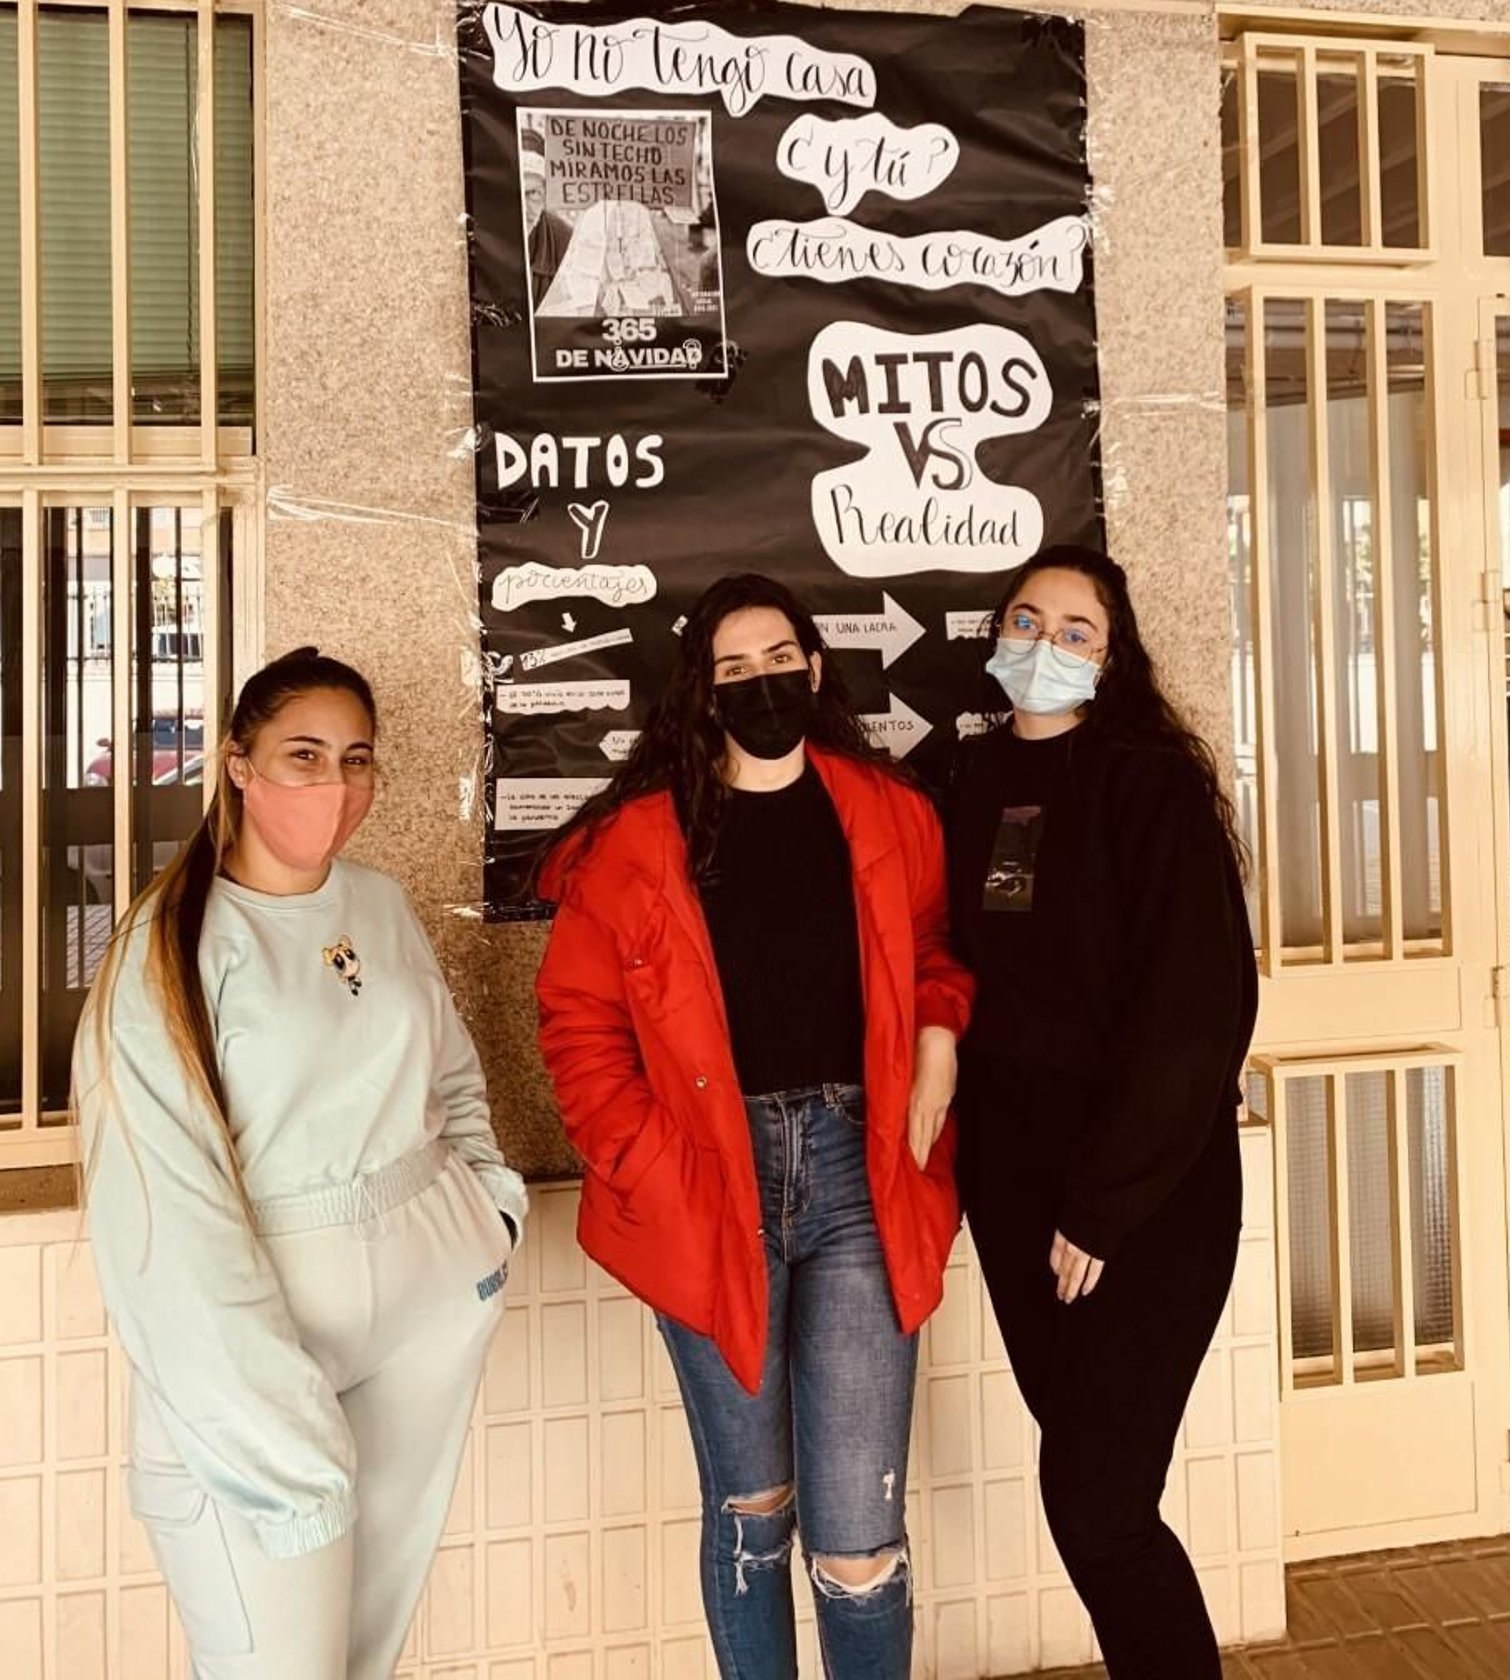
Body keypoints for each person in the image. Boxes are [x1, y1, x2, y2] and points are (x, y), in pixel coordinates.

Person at [536, 574, 972, 1680]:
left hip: (860, 1173)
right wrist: (641, 1158)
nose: (759, 684)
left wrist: (940, 1032)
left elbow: (931, 960)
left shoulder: (890, 811)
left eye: (776, 659)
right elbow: (578, 1024)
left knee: (859, 1540)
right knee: (752, 1511)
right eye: (732, 670)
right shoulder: (632, 844)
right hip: (704, 1183)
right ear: (701, 694)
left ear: (815, 669)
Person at [74, 647, 527, 1680]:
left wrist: (488, 1217)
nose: (333, 786)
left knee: (362, 1655)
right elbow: (167, 1231)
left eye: (355, 760)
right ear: (237, 764)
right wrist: (283, 1452)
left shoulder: (378, 905)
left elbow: (453, 1080)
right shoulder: (167, 948)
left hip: (420, 1320)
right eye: (304, 756)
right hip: (259, 1363)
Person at [943, 546, 1257, 1680]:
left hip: (1142, 1198)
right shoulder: (967, 783)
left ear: (1110, 656)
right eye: (1024, 619)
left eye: (1074, 630)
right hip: (1014, 1192)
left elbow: (1194, 1013)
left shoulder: (1146, 782)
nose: (1043, 645)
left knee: (1096, 1505)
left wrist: (1102, 1203)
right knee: (1092, 1489)